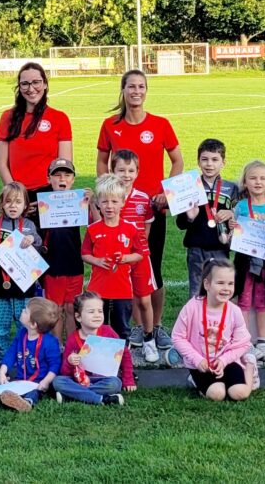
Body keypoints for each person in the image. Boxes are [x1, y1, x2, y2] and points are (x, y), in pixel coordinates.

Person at [96, 70, 183, 351]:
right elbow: (101, 163)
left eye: (141, 86)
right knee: (122, 270)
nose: (136, 91)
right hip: (119, 213)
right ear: (122, 90)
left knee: (151, 269)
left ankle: (156, 327)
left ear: (146, 91)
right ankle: (136, 327)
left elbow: (177, 161)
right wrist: (106, 194)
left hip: (151, 212)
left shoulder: (160, 124)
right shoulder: (110, 125)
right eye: (131, 86)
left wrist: (165, 193)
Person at [171, 258, 255, 402]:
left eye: (230, 283)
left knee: (239, 393)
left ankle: (249, 369)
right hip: (201, 364)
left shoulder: (234, 311)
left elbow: (243, 343)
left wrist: (224, 360)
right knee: (217, 394)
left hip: (226, 362)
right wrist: (197, 360)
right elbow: (178, 337)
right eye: (220, 283)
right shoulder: (192, 307)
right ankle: (195, 379)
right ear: (207, 284)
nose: (226, 288)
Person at [0, 297, 62, 413]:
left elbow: (55, 366)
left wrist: (45, 382)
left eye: (25, 311)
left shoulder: (50, 342)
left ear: (33, 324)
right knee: (5, 389)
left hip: (38, 384)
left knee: (34, 392)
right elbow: (11, 353)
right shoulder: (22, 334)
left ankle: (27, 402)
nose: (22, 311)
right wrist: (2, 372)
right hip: (20, 381)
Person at [0, 181, 43, 365]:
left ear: (25, 204)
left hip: (25, 287)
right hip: (1, 287)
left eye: (17, 202)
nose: (13, 206)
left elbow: (40, 247)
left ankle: (27, 359)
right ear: (1, 204)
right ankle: (2, 360)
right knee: (0, 328)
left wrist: (32, 239)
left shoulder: (30, 226)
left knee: (25, 325)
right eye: (8, 202)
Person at [81, 174, 148, 341]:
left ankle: (123, 364)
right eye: (104, 202)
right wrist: (97, 261)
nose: (109, 206)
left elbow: (139, 254)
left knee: (121, 330)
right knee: (97, 328)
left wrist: (126, 258)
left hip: (122, 290)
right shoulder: (93, 229)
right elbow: (84, 254)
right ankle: (97, 364)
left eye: (114, 201)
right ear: (98, 204)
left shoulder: (130, 229)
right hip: (98, 290)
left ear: (122, 202)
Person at [0, 63, 72, 207]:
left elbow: (65, 165)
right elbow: (2, 164)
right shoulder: (8, 117)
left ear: (44, 84)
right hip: (18, 195)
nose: (31, 89)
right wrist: (16, 196)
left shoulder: (59, 118)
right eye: (25, 84)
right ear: (19, 87)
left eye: (36, 82)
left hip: (51, 194)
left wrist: (53, 197)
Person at [230, 160, 265, 363]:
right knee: (242, 299)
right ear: (245, 182)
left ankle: (262, 341)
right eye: (253, 178)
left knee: (262, 301)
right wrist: (232, 225)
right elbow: (232, 232)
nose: (258, 182)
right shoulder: (241, 206)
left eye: (262, 178)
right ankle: (245, 342)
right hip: (244, 261)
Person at [111, 149, 159, 361]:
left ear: (138, 172)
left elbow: (145, 231)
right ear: (113, 171)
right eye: (121, 170)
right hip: (117, 259)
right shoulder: (109, 198)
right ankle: (123, 340)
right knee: (120, 302)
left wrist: (138, 251)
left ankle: (149, 339)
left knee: (144, 300)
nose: (126, 174)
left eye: (131, 170)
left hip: (139, 258)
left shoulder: (143, 199)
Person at [175, 139, 239, 299]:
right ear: (198, 161)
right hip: (196, 248)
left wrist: (231, 213)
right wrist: (190, 217)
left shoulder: (231, 188)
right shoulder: (188, 187)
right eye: (205, 159)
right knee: (196, 291)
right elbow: (180, 224)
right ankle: (197, 323)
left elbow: (240, 218)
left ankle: (218, 324)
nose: (209, 164)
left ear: (223, 163)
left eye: (214, 160)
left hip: (220, 248)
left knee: (220, 291)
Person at [36, 158, 90, 342]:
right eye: (57, 175)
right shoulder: (40, 202)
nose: (62, 179)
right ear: (48, 178)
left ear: (73, 179)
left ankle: (72, 346)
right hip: (53, 265)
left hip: (75, 262)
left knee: (71, 309)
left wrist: (92, 201)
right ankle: (56, 347)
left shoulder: (79, 200)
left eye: (67, 175)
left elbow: (97, 223)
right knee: (55, 309)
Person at [53, 291, 135, 406]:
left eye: (100, 311)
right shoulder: (72, 339)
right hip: (78, 381)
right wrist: (70, 361)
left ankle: (72, 395)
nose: (97, 315)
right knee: (58, 381)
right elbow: (65, 372)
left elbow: (124, 354)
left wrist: (128, 379)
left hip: (103, 380)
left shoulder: (108, 331)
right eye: (91, 312)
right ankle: (102, 399)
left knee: (115, 383)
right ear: (78, 317)